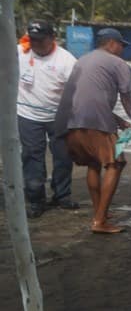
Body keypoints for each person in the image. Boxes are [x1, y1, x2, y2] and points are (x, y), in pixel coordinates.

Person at [54, 28, 131, 233]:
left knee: (93, 163)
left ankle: (100, 212)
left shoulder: (82, 60)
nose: (122, 50)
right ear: (111, 43)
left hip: (70, 120)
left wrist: (119, 120)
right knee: (115, 164)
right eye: (121, 45)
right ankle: (100, 221)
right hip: (96, 121)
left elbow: (87, 96)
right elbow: (126, 96)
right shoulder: (118, 63)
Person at [17, 20, 79, 218]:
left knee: (62, 156)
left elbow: (77, 92)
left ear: (52, 39)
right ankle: (36, 200)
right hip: (27, 114)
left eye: (41, 41)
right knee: (32, 156)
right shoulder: (20, 52)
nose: (36, 45)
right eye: (33, 40)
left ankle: (62, 195)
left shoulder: (66, 61)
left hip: (58, 116)